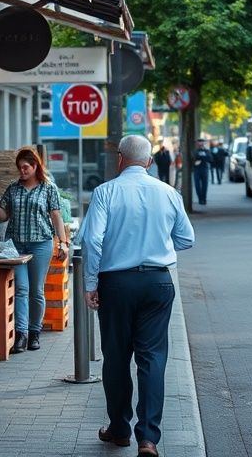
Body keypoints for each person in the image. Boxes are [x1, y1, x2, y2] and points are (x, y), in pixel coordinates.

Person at [80, 134, 195, 457]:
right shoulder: (168, 192)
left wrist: (91, 284)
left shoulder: (105, 192)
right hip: (158, 283)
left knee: (116, 358)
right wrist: (157, 244)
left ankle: (119, 429)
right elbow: (187, 239)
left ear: (120, 159)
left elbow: (92, 242)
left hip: (116, 283)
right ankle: (148, 438)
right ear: (148, 161)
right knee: (153, 358)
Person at [0, 147, 68, 353]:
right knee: (21, 289)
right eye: (19, 167)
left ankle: (34, 332)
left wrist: (63, 242)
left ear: (35, 166)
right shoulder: (13, 189)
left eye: (26, 167)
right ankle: (21, 334)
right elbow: (4, 216)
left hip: (41, 244)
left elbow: (56, 216)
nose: (22, 171)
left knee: (36, 291)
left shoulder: (48, 188)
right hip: (16, 245)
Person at [192, 138, 212, 205]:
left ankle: (204, 198)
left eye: (202, 142)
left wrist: (201, 158)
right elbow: (193, 158)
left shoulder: (207, 151)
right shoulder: (195, 151)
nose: (200, 144)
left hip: (204, 169)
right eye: (199, 142)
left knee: (204, 185)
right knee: (197, 185)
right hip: (196, 169)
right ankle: (200, 199)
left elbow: (210, 159)